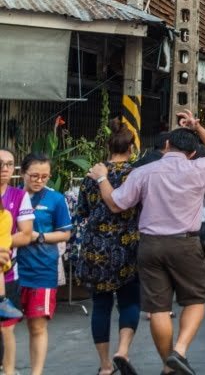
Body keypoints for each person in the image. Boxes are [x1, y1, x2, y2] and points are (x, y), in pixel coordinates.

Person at [86, 109, 205, 375]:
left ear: (166, 146)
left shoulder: (144, 172)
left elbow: (116, 204)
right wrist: (198, 127)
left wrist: (103, 178)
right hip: (185, 244)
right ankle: (180, 351)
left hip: (150, 245)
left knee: (159, 308)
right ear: (194, 153)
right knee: (195, 300)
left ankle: (167, 365)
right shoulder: (200, 168)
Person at [74, 118, 141, 375]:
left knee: (100, 306)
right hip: (126, 247)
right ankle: (122, 351)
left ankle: (104, 367)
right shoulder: (135, 175)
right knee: (129, 300)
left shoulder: (91, 175)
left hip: (96, 247)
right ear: (131, 148)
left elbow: (82, 210)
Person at [17, 153, 73, 375]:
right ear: (23, 174)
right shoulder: (11, 197)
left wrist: (38, 236)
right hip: (11, 270)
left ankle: (36, 373)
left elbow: (65, 234)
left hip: (42, 270)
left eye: (44, 176)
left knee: (37, 326)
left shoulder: (56, 199)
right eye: (34, 176)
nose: (39, 180)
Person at [0, 148, 34, 375]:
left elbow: (26, 234)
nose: (4, 168)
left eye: (9, 164)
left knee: (6, 330)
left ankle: (9, 371)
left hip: (8, 274)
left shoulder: (19, 196)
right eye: (0, 163)